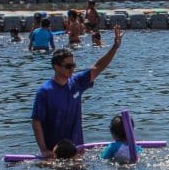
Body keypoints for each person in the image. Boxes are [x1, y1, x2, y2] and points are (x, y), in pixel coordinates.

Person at [31, 25, 124, 158]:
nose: (72, 69)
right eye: (68, 66)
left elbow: (98, 67)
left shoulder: (77, 83)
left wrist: (115, 47)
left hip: (77, 150)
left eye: (73, 65)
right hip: (54, 153)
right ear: (56, 67)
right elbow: (36, 121)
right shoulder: (45, 92)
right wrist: (44, 149)